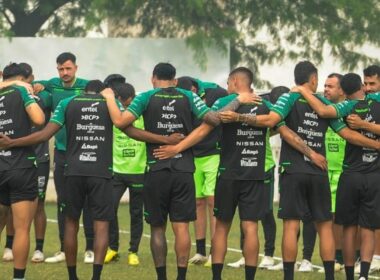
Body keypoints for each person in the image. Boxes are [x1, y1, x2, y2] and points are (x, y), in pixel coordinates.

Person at [152, 67, 332, 280]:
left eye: (228, 84)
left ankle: (217, 277)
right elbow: (283, 130)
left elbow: (204, 129)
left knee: (221, 227)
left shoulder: (223, 103)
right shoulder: (265, 105)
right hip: (255, 175)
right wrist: (312, 153)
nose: (227, 88)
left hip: (228, 174)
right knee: (251, 227)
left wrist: (178, 147)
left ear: (235, 81)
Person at [0, 79, 182, 280]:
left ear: (85, 91)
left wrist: (12, 142)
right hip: (101, 172)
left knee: (70, 223)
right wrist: (167, 140)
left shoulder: (67, 103)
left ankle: (72, 276)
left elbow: (44, 135)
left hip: (73, 172)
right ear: (102, 92)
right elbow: (129, 129)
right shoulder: (110, 104)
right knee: (101, 225)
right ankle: (96, 277)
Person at [219, 61, 380, 280]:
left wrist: (239, 117)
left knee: (291, 225)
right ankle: (331, 277)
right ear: (313, 79)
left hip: (293, 170)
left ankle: (288, 276)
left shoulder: (288, 98)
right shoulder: (322, 103)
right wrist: (375, 145)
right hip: (318, 171)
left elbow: (271, 121)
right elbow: (347, 134)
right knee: (324, 225)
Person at [100, 62, 247, 280]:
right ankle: (181, 277)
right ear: (175, 80)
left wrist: (110, 98)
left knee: (158, 229)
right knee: (181, 228)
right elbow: (215, 119)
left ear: (153, 78)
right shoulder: (188, 96)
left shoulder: (145, 97)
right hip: (184, 170)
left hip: (156, 169)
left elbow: (121, 123)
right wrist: (239, 100)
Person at [295, 72, 380, 280]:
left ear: (343, 91)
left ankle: (350, 275)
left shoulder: (346, 106)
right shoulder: (376, 102)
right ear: (362, 85)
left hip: (350, 175)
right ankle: (364, 275)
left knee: (348, 227)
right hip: (374, 175)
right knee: (368, 228)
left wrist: (303, 89)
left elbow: (324, 111)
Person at [34, 52, 95, 264]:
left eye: (68, 68)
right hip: (61, 152)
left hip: (85, 150)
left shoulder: (87, 86)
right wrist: (38, 86)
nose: (64, 73)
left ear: (76, 68)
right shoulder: (52, 84)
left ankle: (90, 249)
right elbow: (34, 83)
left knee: (87, 200)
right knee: (63, 200)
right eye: (60, 69)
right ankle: (62, 249)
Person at [2, 63, 51, 263]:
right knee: (22, 227)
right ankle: (19, 277)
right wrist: (24, 91)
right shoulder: (22, 91)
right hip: (21, 165)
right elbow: (39, 119)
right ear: (24, 79)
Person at [177, 76, 227, 267]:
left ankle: (216, 252)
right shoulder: (180, 99)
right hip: (193, 156)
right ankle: (200, 251)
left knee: (213, 202)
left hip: (214, 155)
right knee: (197, 203)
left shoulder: (217, 93)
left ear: (195, 88)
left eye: (191, 93)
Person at [104, 80, 146, 266]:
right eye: (123, 103)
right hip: (117, 171)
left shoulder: (143, 112)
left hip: (138, 170)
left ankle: (133, 251)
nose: (126, 107)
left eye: (129, 103)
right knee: (109, 209)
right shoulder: (111, 113)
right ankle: (113, 248)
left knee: (136, 212)